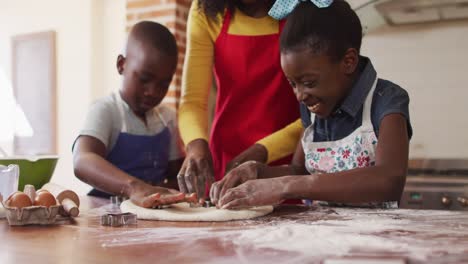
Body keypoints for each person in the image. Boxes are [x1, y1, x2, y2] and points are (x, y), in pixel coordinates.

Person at [211, 0, 412, 209]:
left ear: (348, 61)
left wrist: (286, 185)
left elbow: (389, 179)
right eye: (292, 84)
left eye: (308, 83)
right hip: (322, 237)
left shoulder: (386, 100)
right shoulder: (315, 110)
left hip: (377, 239)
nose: (299, 95)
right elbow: (300, 171)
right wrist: (256, 171)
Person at [177, 0, 304, 201]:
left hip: (287, 163)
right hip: (226, 162)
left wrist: (265, 150)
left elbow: (315, 112)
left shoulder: (302, 9)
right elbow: (192, 101)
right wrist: (195, 146)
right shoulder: (207, 11)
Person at [73, 21, 195, 208]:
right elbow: (82, 160)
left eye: (163, 84)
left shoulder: (167, 119)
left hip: (150, 217)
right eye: (145, 79)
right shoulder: (106, 110)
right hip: (105, 215)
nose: (153, 91)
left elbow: (175, 176)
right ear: (121, 65)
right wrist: (134, 188)